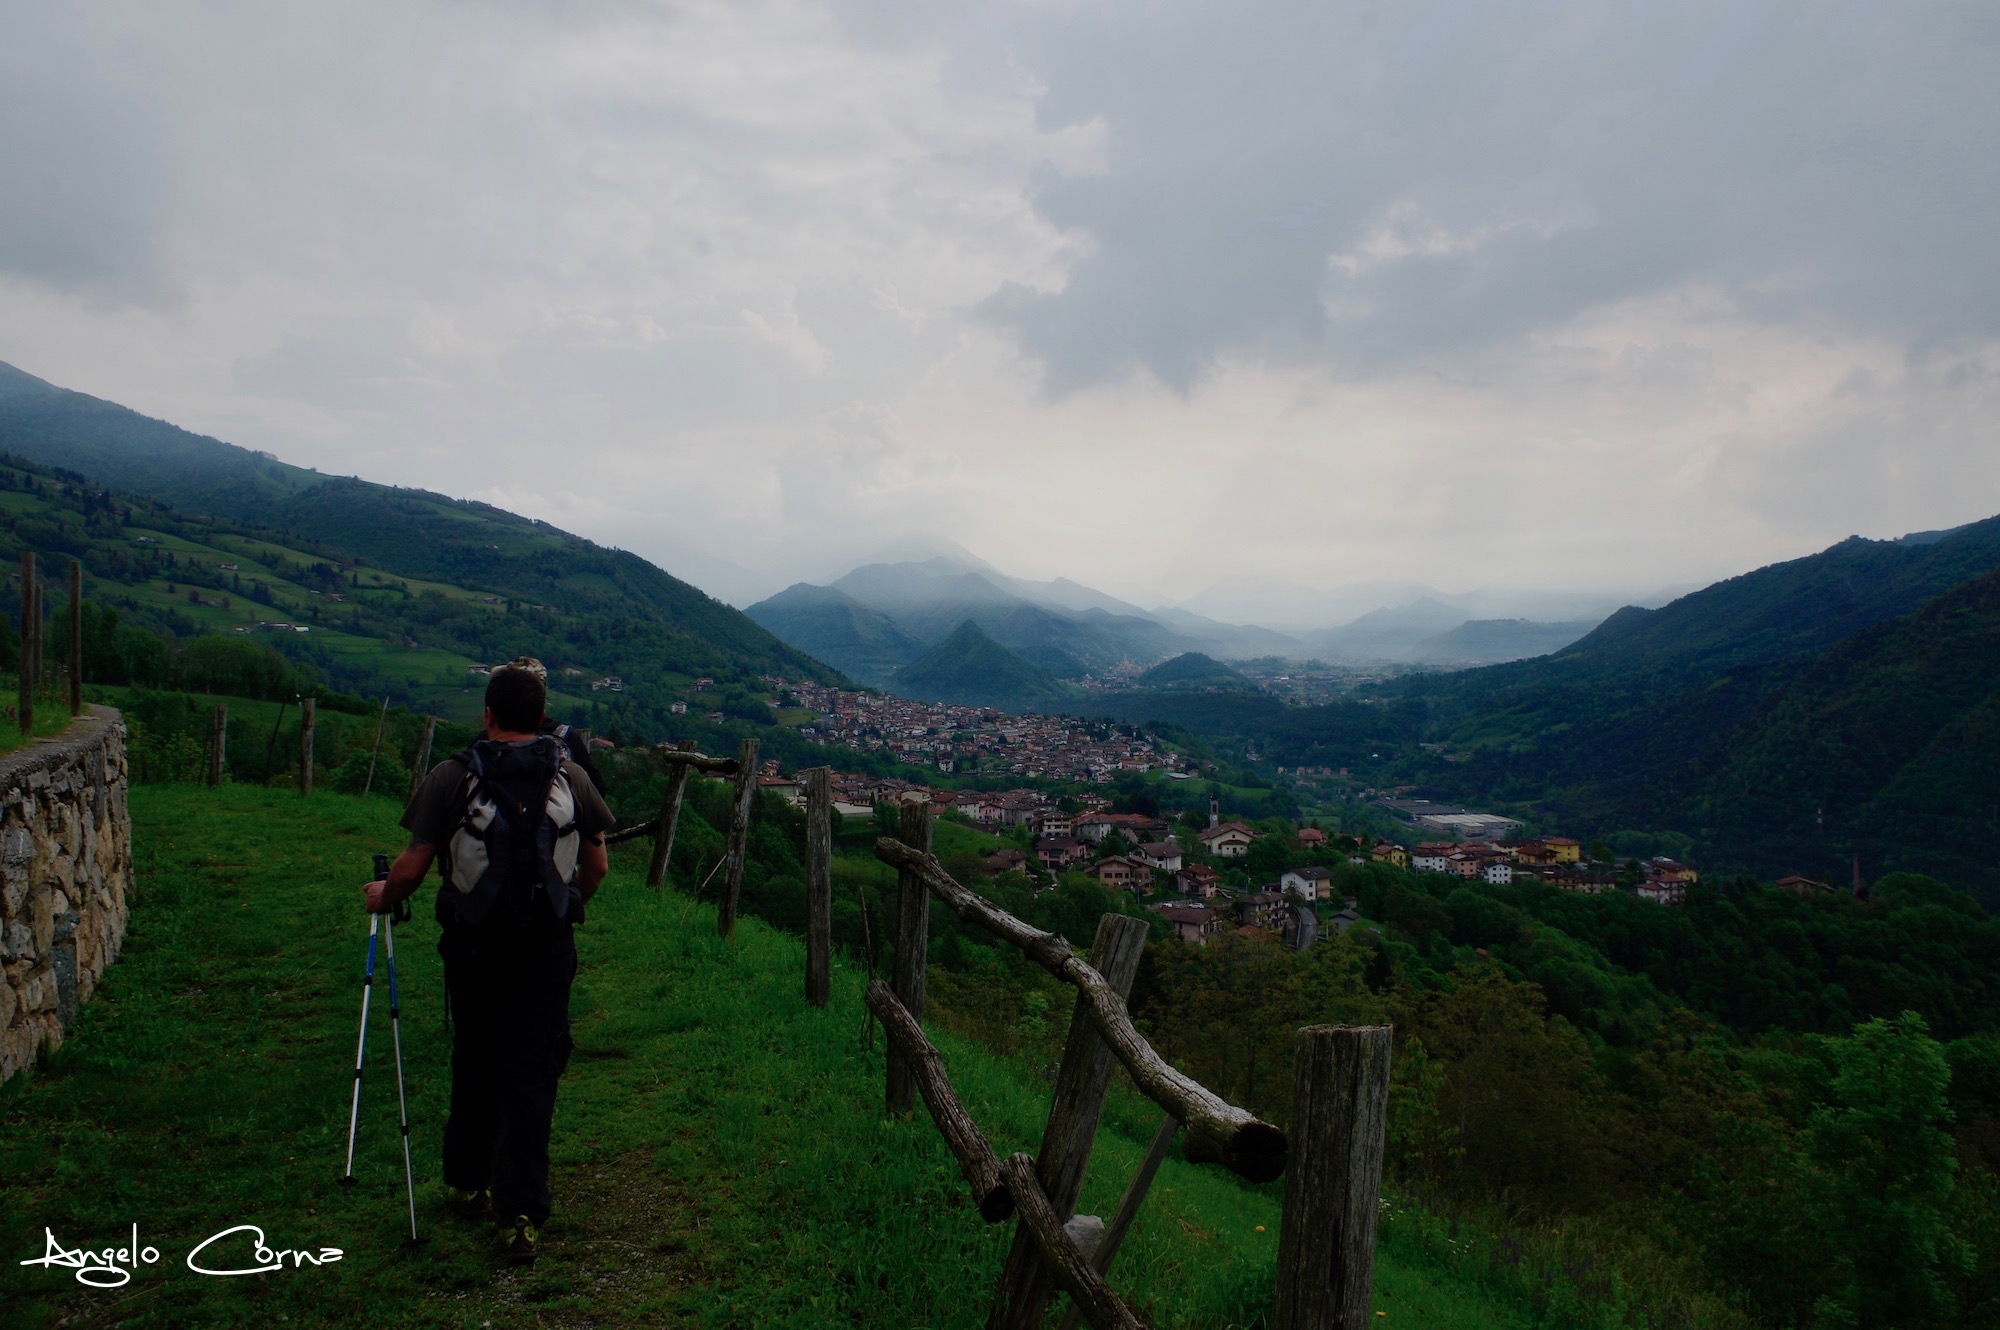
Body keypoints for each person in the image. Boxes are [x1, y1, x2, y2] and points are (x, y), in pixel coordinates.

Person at [363, 661, 615, 1265]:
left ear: (488, 714)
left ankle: (465, 1181)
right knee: (533, 1072)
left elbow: (413, 867)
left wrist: (383, 897)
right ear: (543, 715)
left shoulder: (451, 777)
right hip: (547, 950)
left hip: (474, 948)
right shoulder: (572, 776)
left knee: (475, 1055)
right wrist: (565, 907)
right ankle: (522, 1213)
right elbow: (598, 866)